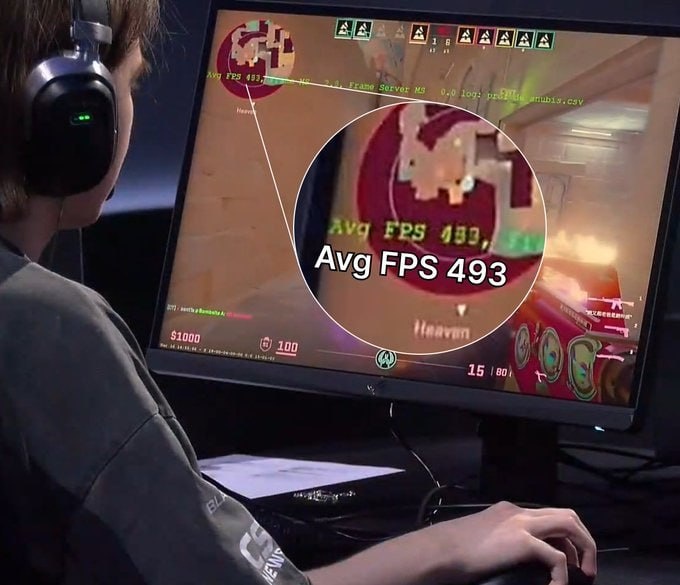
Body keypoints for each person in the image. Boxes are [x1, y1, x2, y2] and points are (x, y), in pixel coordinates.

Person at [0, 2, 597, 585]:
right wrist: (449, 550)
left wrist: (442, 545)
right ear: (75, 110)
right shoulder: (48, 331)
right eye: (132, 83)